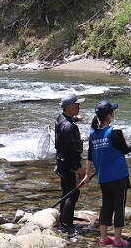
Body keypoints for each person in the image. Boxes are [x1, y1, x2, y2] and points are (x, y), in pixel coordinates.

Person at [83, 100, 131, 247]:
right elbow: (125, 150)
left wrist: (87, 175)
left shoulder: (93, 133)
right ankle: (118, 241)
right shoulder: (114, 132)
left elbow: (90, 156)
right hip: (119, 178)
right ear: (109, 115)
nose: (114, 113)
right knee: (119, 209)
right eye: (112, 111)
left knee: (106, 207)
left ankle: (103, 239)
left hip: (103, 179)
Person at [54, 93, 87, 233]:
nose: (79, 106)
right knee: (73, 193)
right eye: (76, 104)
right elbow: (71, 151)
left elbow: (67, 121)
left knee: (67, 192)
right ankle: (67, 226)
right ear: (68, 107)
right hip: (67, 163)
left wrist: (75, 119)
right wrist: (80, 168)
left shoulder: (62, 119)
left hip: (61, 162)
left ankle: (64, 221)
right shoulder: (67, 127)